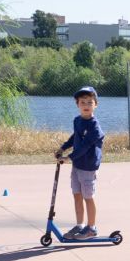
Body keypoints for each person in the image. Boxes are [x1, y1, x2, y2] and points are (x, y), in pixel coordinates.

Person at [54, 86, 106, 240]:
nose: (86, 105)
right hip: (77, 164)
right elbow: (75, 137)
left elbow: (85, 146)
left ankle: (91, 228)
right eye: (82, 102)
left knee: (88, 197)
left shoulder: (95, 126)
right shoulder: (77, 120)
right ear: (77, 104)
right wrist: (63, 148)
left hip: (88, 166)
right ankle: (80, 225)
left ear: (95, 104)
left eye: (90, 102)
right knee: (77, 195)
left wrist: (69, 158)